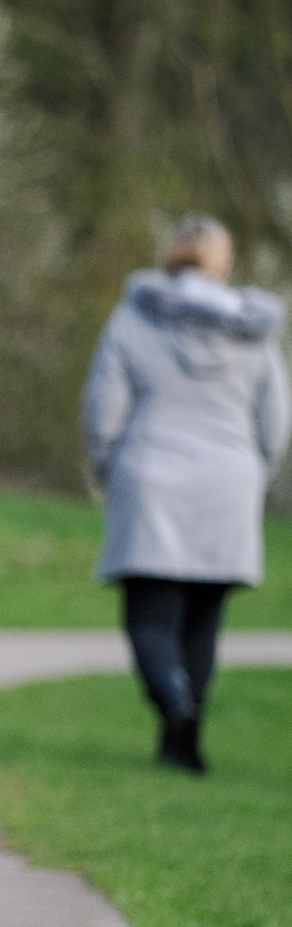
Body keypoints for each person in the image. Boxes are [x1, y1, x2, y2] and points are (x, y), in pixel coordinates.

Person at [82, 214, 289, 772]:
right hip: (228, 481)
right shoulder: (253, 333)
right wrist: (252, 473)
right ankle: (183, 743)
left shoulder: (135, 318)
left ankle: (173, 705)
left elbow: (104, 406)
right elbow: (275, 421)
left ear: (171, 254)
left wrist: (105, 466)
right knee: (202, 624)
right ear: (225, 262)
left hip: (152, 481)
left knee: (149, 620)